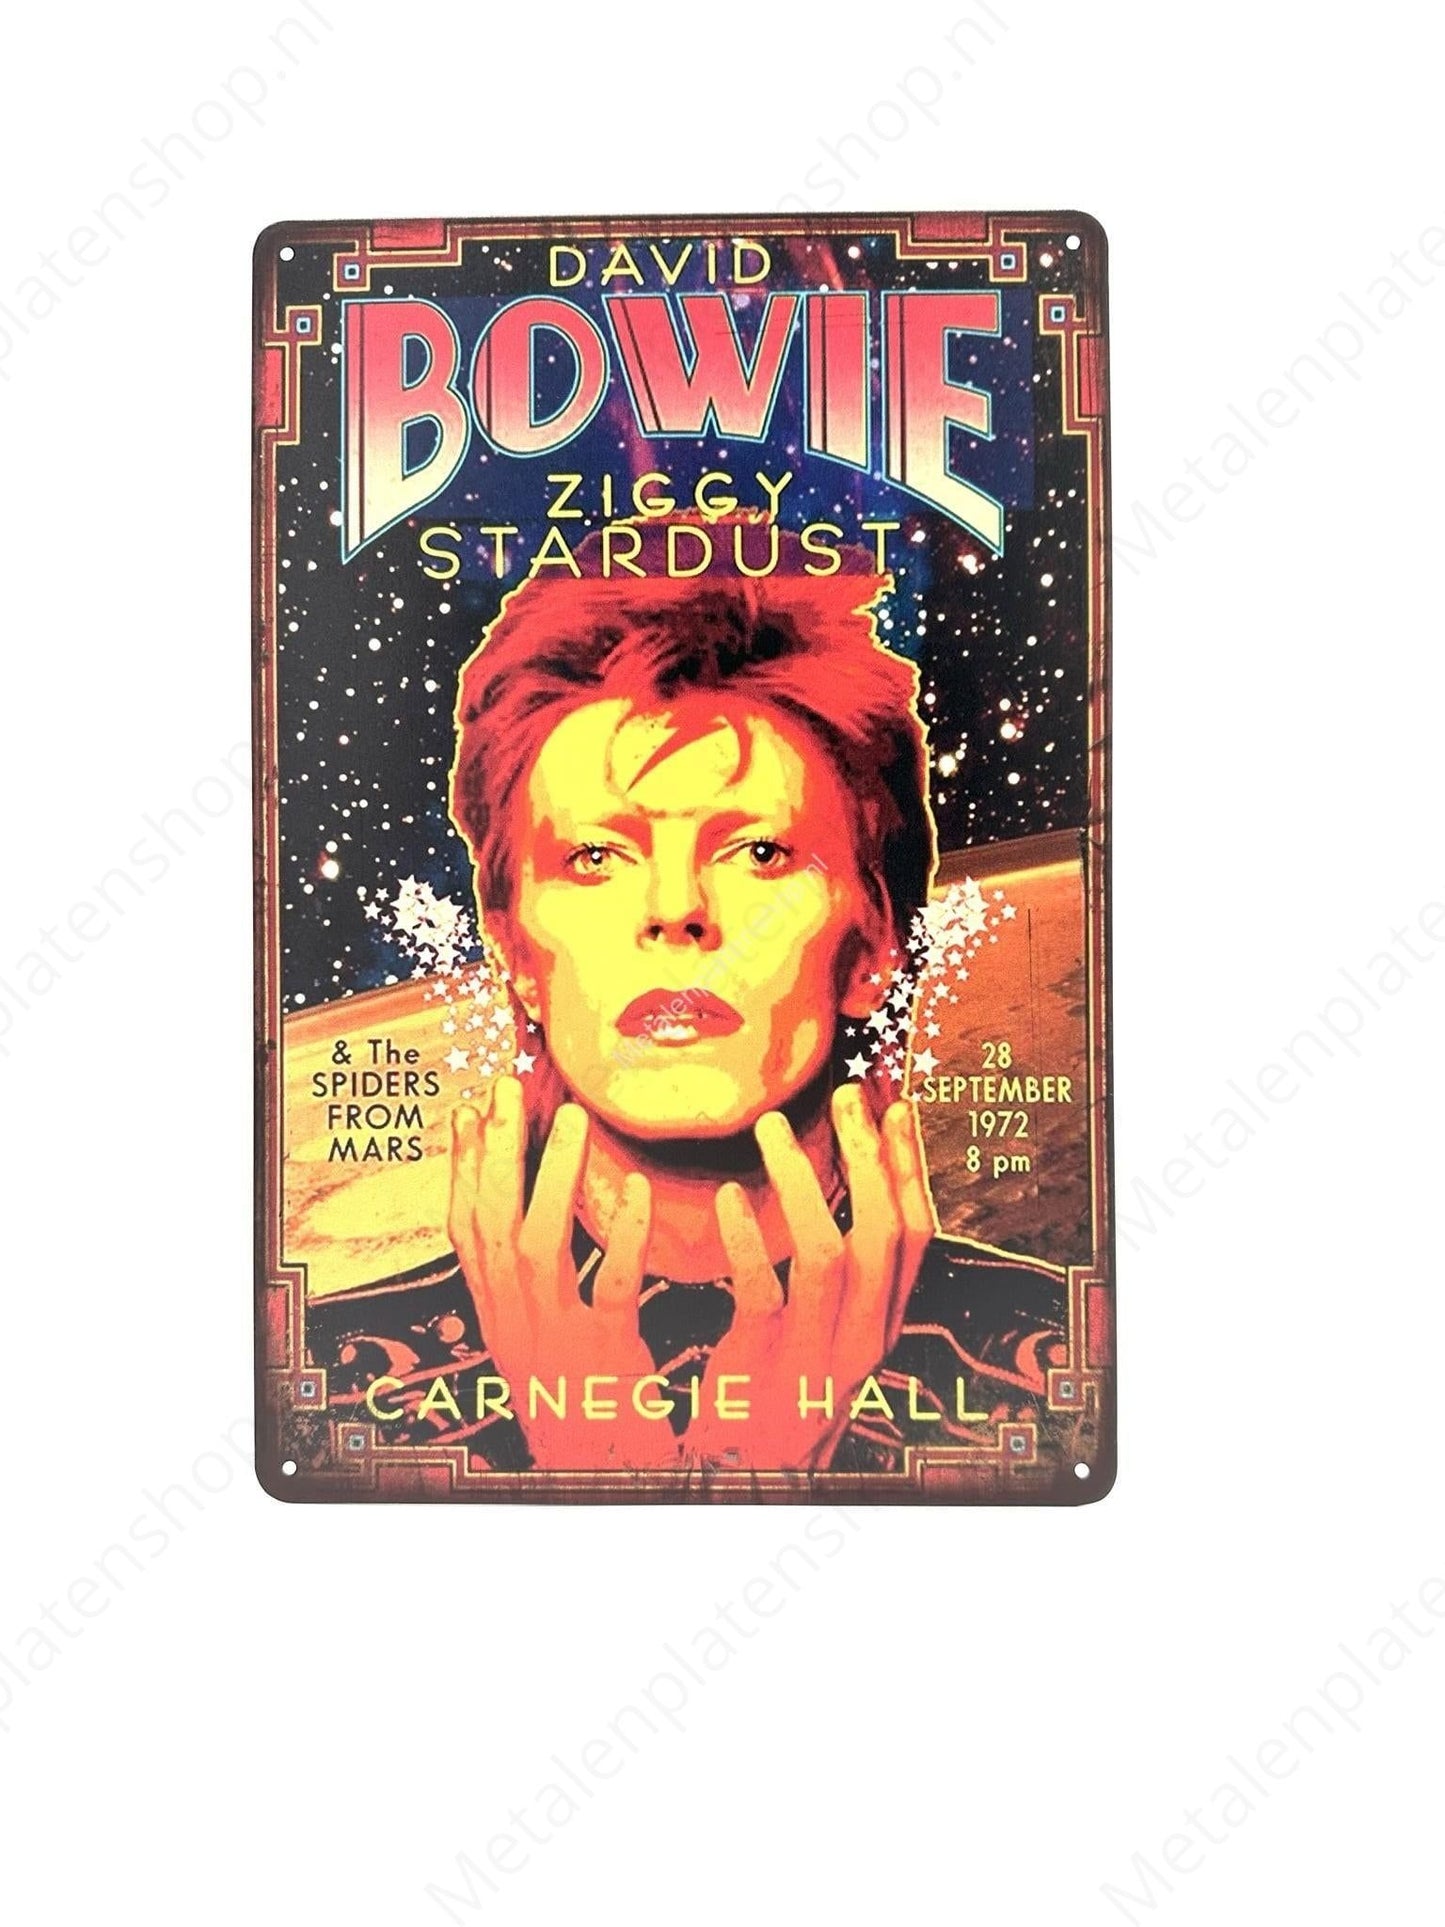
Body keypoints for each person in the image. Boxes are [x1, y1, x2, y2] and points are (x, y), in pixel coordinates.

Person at [307, 524, 1066, 1482]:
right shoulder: (322, 1382)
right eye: (595, 855)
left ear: (873, 943)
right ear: (516, 952)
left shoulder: (1063, 1363)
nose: (675, 909)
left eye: (760, 852)